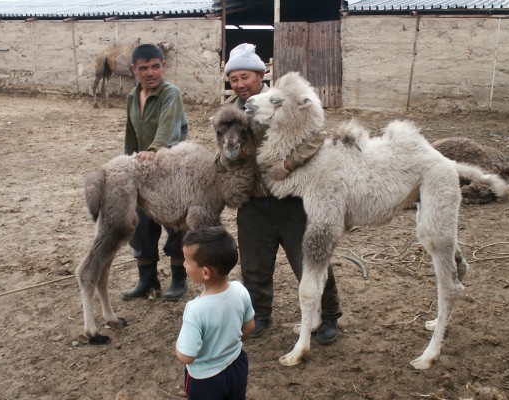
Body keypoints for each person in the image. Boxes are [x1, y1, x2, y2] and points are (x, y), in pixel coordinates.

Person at [222, 43, 343, 344]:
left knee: (310, 260)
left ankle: (328, 316)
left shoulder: (282, 101)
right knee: (254, 265)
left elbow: (317, 136)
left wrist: (289, 164)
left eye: (244, 77)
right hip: (252, 200)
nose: (239, 84)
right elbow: (223, 151)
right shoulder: (230, 113)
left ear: (261, 75)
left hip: (292, 199)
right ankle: (260, 315)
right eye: (233, 79)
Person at [121, 43, 188, 302]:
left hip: (171, 169)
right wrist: (129, 162)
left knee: (176, 225)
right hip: (143, 170)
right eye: (144, 68)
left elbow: (169, 127)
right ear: (133, 70)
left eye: (155, 66)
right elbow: (131, 133)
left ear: (163, 65)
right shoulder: (131, 96)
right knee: (140, 224)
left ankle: (179, 277)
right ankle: (147, 279)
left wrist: (154, 149)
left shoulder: (170, 93)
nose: (150, 72)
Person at [176, 226, 255, 400]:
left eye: (187, 261)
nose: (184, 264)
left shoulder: (195, 310)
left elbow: (187, 356)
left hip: (205, 379)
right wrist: (228, 344)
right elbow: (249, 326)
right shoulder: (240, 290)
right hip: (237, 364)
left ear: (205, 272)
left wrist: (178, 349)